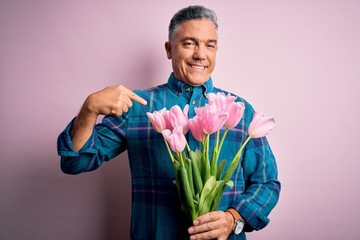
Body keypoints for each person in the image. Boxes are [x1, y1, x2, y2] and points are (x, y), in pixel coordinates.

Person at [57, 5, 280, 240]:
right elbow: (75, 162)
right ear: (169, 49)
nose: (200, 54)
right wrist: (89, 109)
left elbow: (267, 183)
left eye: (209, 45)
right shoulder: (138, 106)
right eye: (189, 43)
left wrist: (232, 218)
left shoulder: (238, 110)